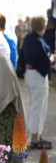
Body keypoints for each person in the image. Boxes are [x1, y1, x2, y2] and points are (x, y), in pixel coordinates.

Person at [20, 15, 53, 150]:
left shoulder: (27, 38)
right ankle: (35, 138)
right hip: (38, 75)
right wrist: (52, 58)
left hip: (29, 73)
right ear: (43, 26)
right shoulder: (38, 40)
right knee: (38, 107)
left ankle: (36, 136)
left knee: (35, 105)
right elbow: (45, 62)